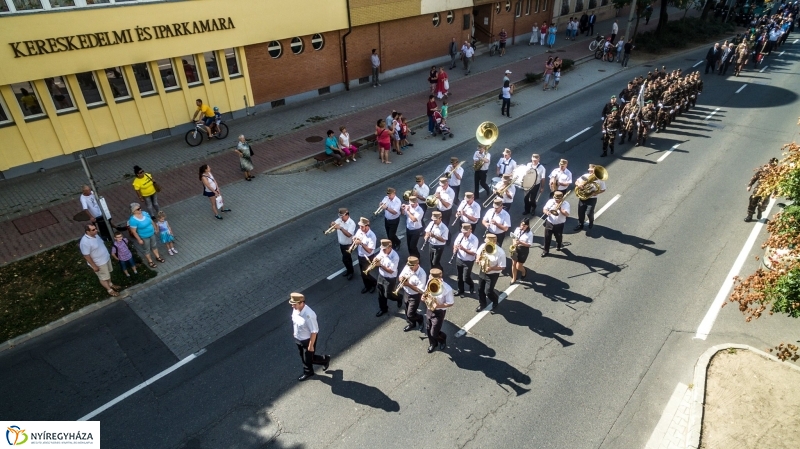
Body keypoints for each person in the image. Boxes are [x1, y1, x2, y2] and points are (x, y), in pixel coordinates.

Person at [289, 293, 331, 382]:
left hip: (307, 340)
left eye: (294, 304)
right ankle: (309, 371)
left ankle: (325, 359)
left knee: (308, 359)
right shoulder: (296, 309)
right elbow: (295, 322)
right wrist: (295, 332)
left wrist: (311, 345)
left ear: (301, 303)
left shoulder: (309, 315)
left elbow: (314, 331)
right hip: (298, 338)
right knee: (303, 356)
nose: (292, 306)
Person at [80, 223, 122, 296]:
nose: (96, 230)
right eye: (93, 230)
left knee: (107, 274)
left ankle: (110, 284)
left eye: (95, 228)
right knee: (103, 277)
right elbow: (86, 255)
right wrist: (94, 266)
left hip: (106, 259)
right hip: (99, 263)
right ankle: (110, 290)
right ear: (87, 232)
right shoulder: (85, 242)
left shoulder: (95, 235)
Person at [424, 268, 454, 353]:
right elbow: (426, 292)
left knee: (434, 332)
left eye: (433, 279)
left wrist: (438, 305)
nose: (431, 280)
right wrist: (424, 296)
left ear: (440, 278)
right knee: (428, 328)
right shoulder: (430, 282)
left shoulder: (447, 289)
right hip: (429, 308)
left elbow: (450, 303)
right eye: (431, 278)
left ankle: (442, 339)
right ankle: (433, 344)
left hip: (439, 312)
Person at [127, 202, 164, 268]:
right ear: (133, 211)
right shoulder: (132, 220)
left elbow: (151, 221)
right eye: (138, 209)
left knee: (154, 246)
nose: (140, 209)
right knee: (146, 249)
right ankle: (150, 261)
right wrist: (139, 239)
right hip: (144, 237)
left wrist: (155, 228)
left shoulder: (145, 213)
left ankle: (157, 257)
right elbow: (134, 231)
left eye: (140, 208)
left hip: (151, 233)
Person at [476, 233, 506, 312]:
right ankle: (482, 304)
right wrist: (478, 259)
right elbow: (478, 253)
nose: (486, 244)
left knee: (488, 291)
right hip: (483, 270)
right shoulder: (483, 246)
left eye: (488, 243)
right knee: (480, 289)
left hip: (493, 274)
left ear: (494, 243)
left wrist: (491, 268)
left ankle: (495, 300)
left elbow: (502, 266)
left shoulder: (500, 252)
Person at [573, 164, 606, 231]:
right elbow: (576, 181)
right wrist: (579, 184)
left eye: (592, 171)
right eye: (590, 171)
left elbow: (603, 189)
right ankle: (580, 224)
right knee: (581, 212)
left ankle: (591, 221)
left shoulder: (600, 180)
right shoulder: (585, 176)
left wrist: (596, 193)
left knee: (589, 212)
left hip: (592, 198)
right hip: (583, 197)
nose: (590, 172)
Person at [398, 256, 427, 332]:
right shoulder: (408, 266)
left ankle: (420, 319)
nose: (409, 268)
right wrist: (401, 279)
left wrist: (408, 284)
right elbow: (400, 276)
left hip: (415, 296)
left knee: (410, 314)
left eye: (412, 266)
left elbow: (420, 290)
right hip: (406, 293)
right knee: (407, 309)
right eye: (409, 266)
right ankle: (412, 324)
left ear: (417, 264)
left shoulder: (422, 274)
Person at [745, 158, 779, 222]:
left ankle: (760, 211)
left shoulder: (777, 173)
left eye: (773, 165)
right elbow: (755, 177)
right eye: (770, 165)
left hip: (767, 190)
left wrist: (775, 193)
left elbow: (777, 183)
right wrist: (750, 185)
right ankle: (749, 216)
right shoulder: (763, 170)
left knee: (763, 204)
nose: (771, 166)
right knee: (752, 201)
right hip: (758, 189)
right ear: (769, 164)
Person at [375, 239, 400, 317]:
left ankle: (399, 298)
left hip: (390, 278)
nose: (383, 250)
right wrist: (375, 259)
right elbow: (378, 256)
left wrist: (380, 265)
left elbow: (391, 271)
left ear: (390, 247)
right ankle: (383, 309)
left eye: (385, 249)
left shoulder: (395, 257)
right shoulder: (383, 251)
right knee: (380, 294)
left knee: (388, 295)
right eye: (382, 248)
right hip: (381, 275)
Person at [453, 222, 479, 296]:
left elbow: (473, 253)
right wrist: (455, 250)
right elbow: (455, 244)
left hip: (468, 261)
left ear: (470, 230)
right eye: (463, 232)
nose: (463, 234)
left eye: (465, 232)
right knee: (459, 277)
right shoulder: (460, 235)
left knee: (466, 277)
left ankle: (471, 284)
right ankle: (460, 290)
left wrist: (463, 249)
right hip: (459, 259)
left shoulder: (474, 239)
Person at [353, 217, 378, 294]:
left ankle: (373, 283)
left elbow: (370, 250)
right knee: (362, 273)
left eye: (362, 226)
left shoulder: (372, 236)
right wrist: (354, 239)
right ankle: (367, 286)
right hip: (360, 255)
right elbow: (356, 237)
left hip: (368, 257)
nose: (360, 228)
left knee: (365, 273)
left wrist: (360, 243)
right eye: (360, 226)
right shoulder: (360, 231)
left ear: (367, 226)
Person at [541, 191, 570, 257]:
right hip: (549, 222)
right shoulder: (551, 201)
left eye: (558, 200)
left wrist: (560, 209)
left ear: (561, 198)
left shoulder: (566, 204)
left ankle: (559, 244)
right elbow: (544, 209)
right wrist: (547, 212)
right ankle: (546, 251)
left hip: (559, 224)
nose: (556, 201)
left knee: (558, 237)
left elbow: (567, 214)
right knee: (547, 237)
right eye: (555, 199)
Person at [330, 208, 357, 280]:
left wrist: (340, 228)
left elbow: (349, 235)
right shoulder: (339, 220)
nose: (340, 218)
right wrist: (332, 224)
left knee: (345, 259)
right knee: (347, 259)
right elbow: (332, 227)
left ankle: (351, 272)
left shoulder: (351, 223)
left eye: (342, 216)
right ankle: (349, 270)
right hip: (342, 244)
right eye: (340, 216)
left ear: (347, 215)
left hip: (349, 244)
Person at [509, 218, 533, 284]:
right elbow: (513, 237)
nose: (522, 227)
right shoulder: (517, 229)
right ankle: (514, 278)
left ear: (527, 226)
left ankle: (524, 271)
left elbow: (529, 244)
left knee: (518, 266)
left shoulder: (529, 233)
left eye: (524, 226)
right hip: (516, 248)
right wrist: (514, 244)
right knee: (513, 264)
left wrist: (520, 243)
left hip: (523, 250)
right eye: (521, 225)